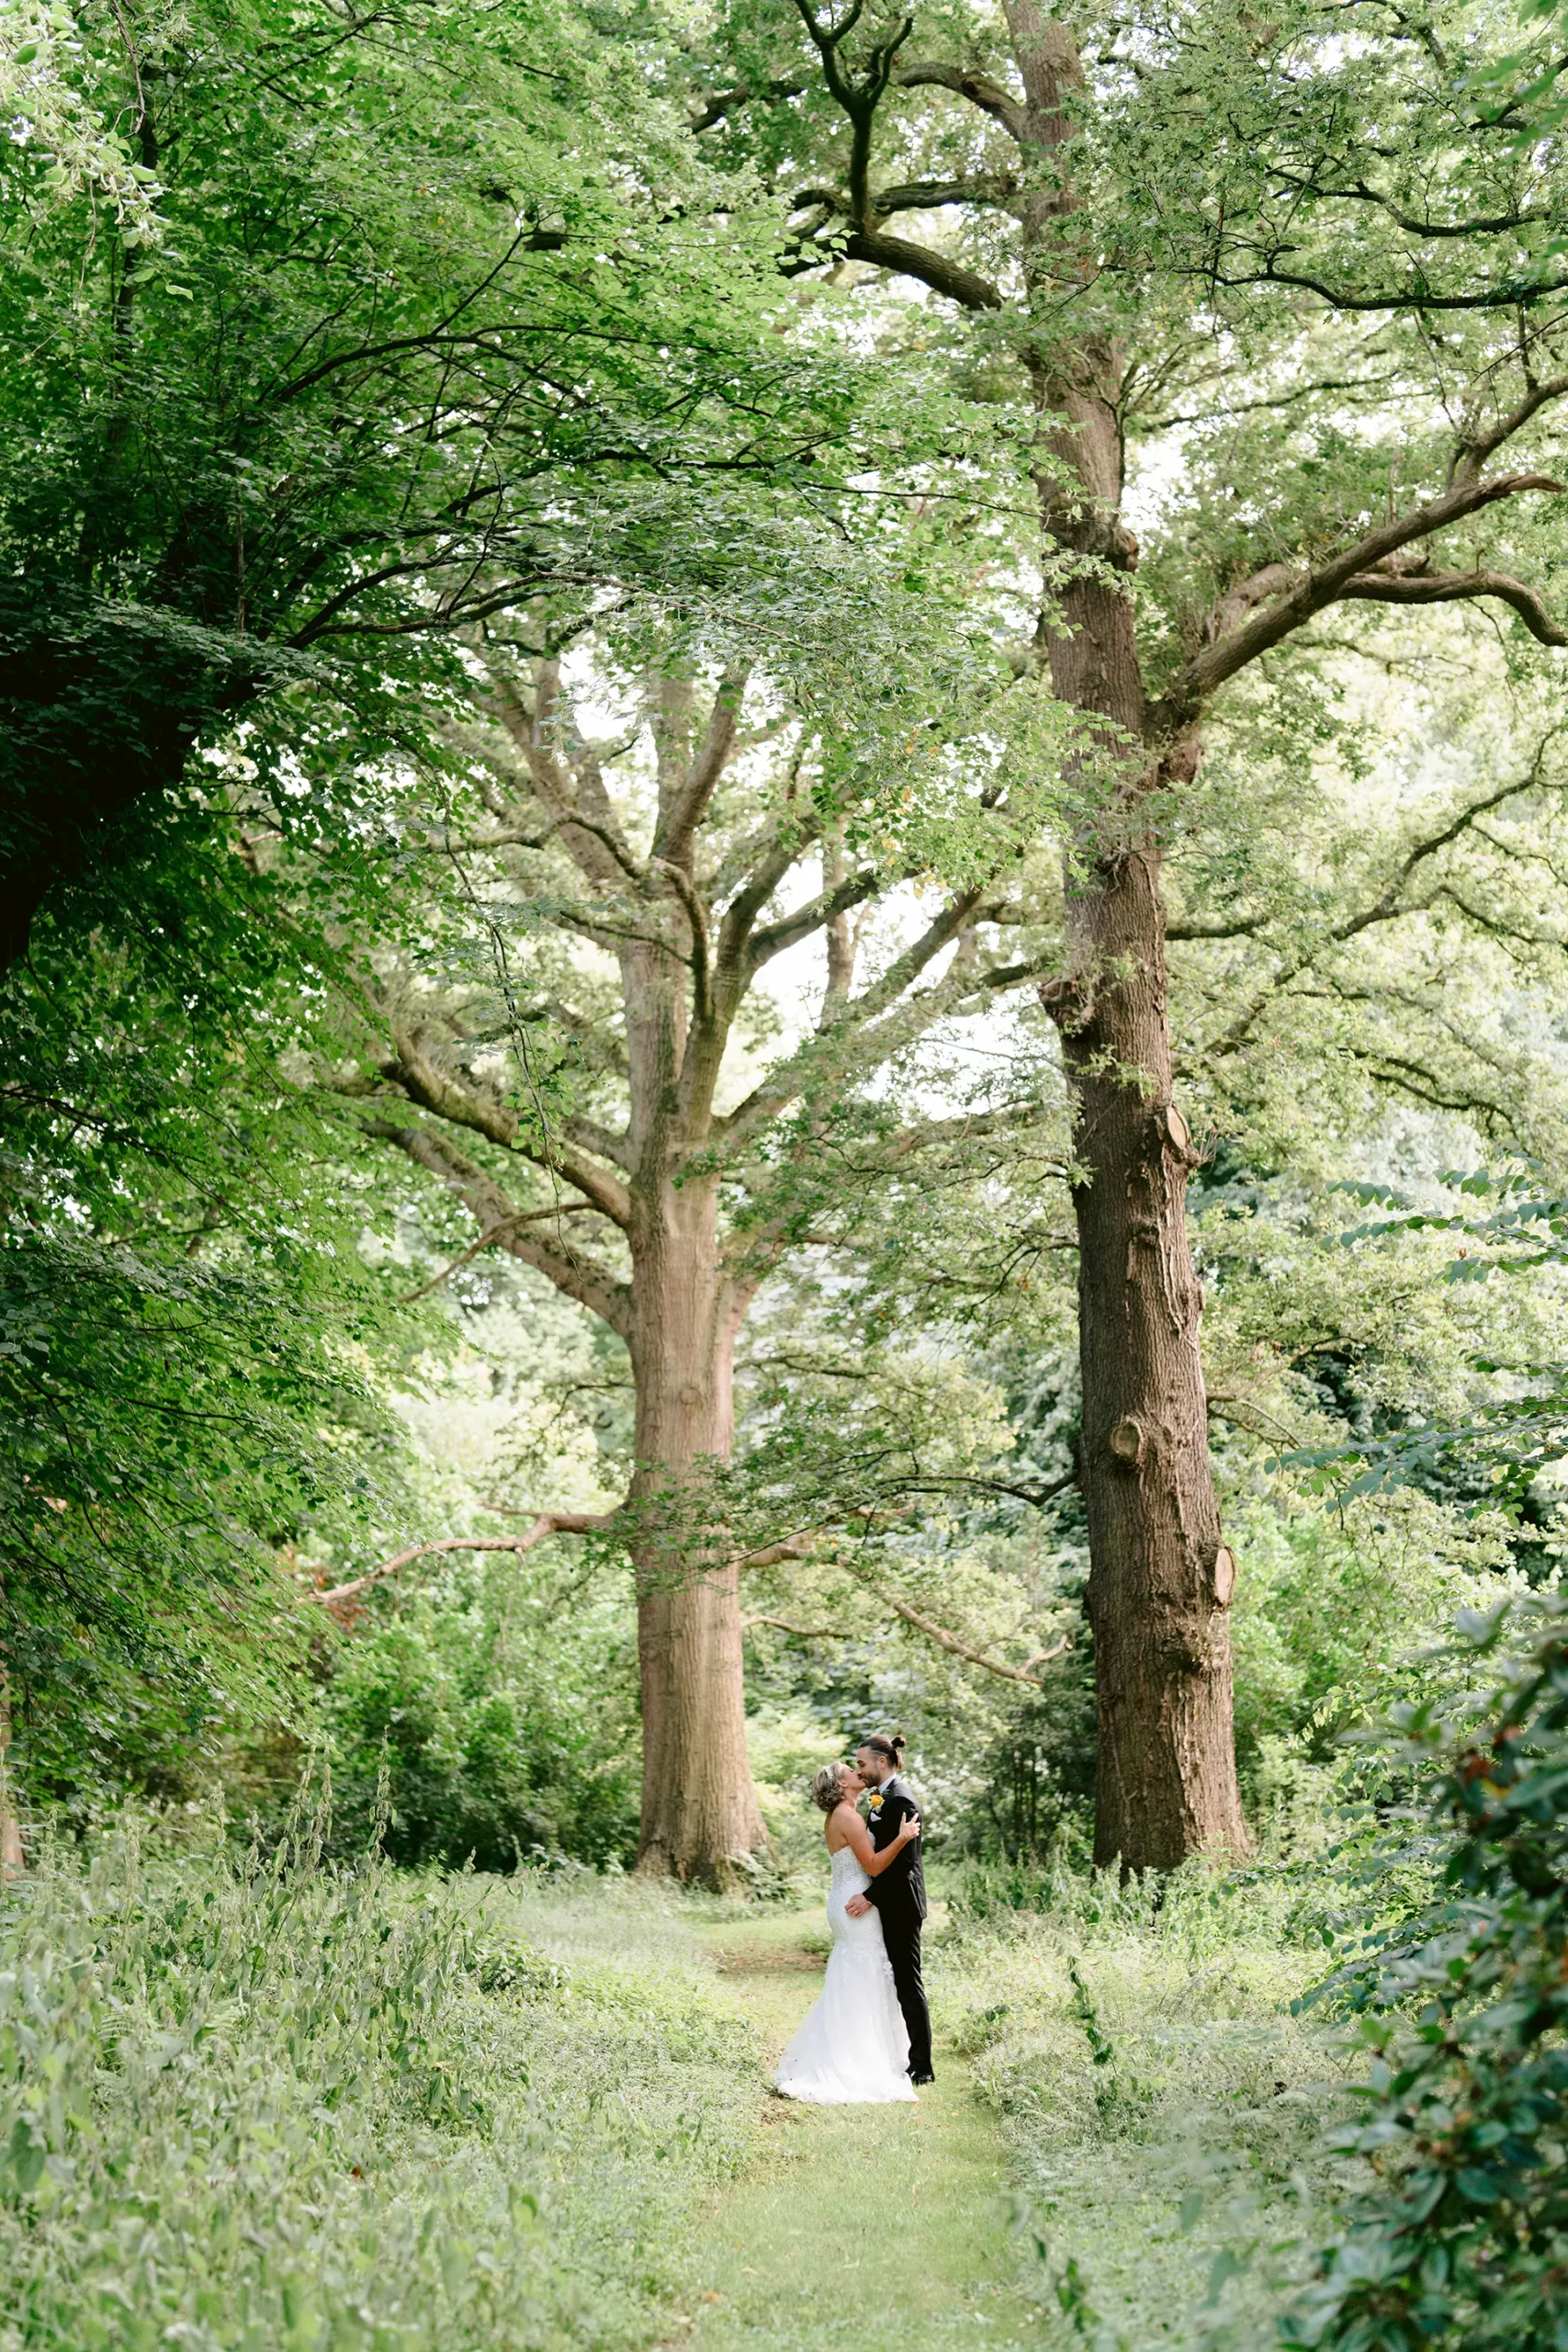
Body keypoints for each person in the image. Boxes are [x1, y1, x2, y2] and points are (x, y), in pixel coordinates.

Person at [772, 1758, 922, 2104]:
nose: (858, 1773)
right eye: (850, 1772)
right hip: (857, 1904)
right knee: (864, 1976)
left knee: (852, 1975)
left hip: (845, 1899)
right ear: (841, 1785)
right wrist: (901, 1838)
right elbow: (871, 1864)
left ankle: (853, 2052)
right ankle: (856, 2061)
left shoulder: (841, 1815)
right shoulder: (848, 1816)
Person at [844, 1734, 933, 2084]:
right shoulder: (885, 1798)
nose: (859, 1769)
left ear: (882, 1762)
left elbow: (905, 1865)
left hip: (901, 1906)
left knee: (908, 1984)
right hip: (890, 1902)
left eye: (862, 1763)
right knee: (897, 1981)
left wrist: (870, 1896)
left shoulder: (901, 1801)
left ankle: (922, 2067)